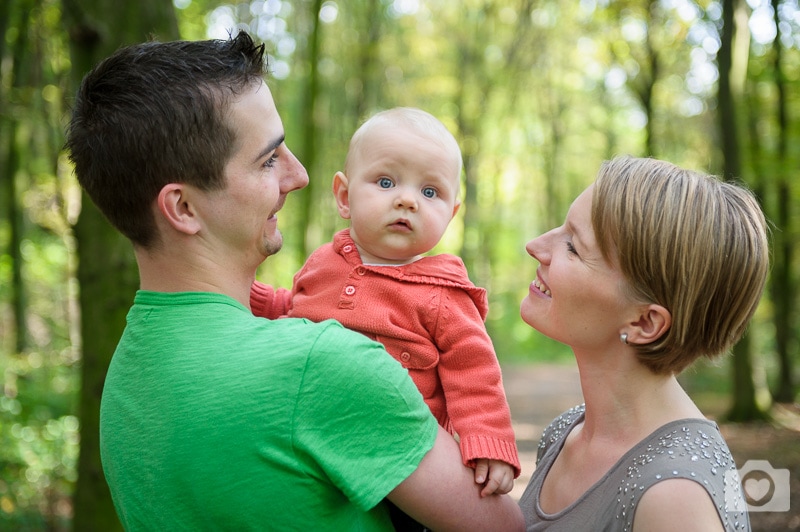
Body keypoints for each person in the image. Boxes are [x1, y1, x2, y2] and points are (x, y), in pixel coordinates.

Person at [65, 32, 524, 531]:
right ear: (183, 208)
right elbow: (501, 526)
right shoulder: (323, 365)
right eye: (268, 159)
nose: (299, 175)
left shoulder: (125, 378)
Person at [251, 108, 520, 498]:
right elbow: (297, 308)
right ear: (344, 196)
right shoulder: (324, 261)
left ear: (451, 213)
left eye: (430, 192)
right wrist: (255, 297)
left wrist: (488, 442)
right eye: (386, 181)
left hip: (398, 458)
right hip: (307, 435)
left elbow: (475, 376)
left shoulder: (443, 292)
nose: (407, 201)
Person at [517, 155, 766, 531]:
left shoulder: (677, 499)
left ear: (644, 322)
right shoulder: (566, 433)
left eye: (573, 247)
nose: (536, 246)